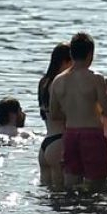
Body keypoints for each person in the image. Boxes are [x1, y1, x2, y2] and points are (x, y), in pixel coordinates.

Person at [48, 32, 107, 191]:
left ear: (71, 53)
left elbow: (54, 114)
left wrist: (72, 111)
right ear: (90, 54)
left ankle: (73, 213)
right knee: (98, 186)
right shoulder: (95, 79)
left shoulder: (58, 81)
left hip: (70, 135)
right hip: (92, 135)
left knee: (71, 183)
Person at [37, 42, 72, 190]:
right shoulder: (60, 83)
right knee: (62, 195)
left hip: (45, 145)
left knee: (47, 195)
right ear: (65, 62)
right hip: (59, 142)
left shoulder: (43, 82)